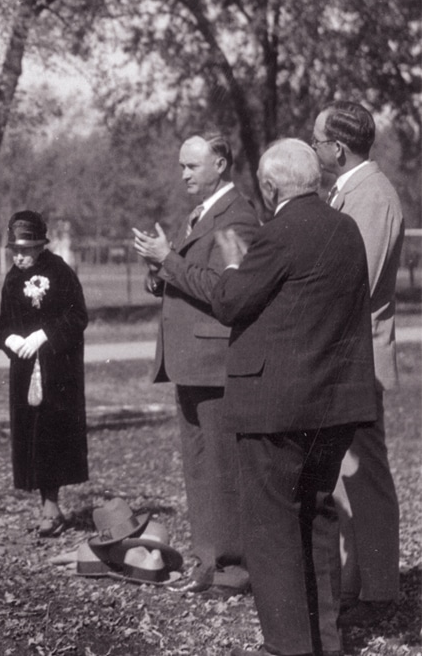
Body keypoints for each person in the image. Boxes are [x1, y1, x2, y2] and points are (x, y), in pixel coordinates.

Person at [138, 139, 377, 656]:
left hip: (278, 408)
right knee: (315, 516)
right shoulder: (346, 229)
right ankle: (324, 642)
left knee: (271, 530)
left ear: (270, 188)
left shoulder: (277, 235)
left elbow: (230, 301)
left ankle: (287, 646)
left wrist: (229, 266)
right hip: (334, 405)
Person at [131, 133, 259, 595]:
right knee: (200, 467)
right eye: (182, 166)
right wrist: (157, 267)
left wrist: (168, 259)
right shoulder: (200, 214)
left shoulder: (237, 217)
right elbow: (189, 277)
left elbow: (231, 291)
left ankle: (230, 570)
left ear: (221, 164)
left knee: (221, 469)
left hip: (215, 362)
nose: (184, 174)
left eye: (192, 166)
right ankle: (209, 564)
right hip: (191, 362)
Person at [312, 101, 404, 626]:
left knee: (364, 474)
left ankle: (377, 591)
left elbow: (355, 282)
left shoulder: (370, 196)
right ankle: (358, 585)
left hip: (359, 359)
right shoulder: (351, 190)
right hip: (347, 356)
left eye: (318, 139)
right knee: (348, 474)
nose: (315, 147)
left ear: (337, 147)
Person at [0, 211, 88, 537]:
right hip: (24, 373)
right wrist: (10, 339)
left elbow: (77, 318)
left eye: (25, 250)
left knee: (52, 435)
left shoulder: (59, 272)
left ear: (40, 246)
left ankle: (52, 505)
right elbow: (2, 324)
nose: (19, 257)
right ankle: (43, 501)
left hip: (56, 372)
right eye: (14, 251)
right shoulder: (11, 279)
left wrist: (44, 335)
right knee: (30, 436)